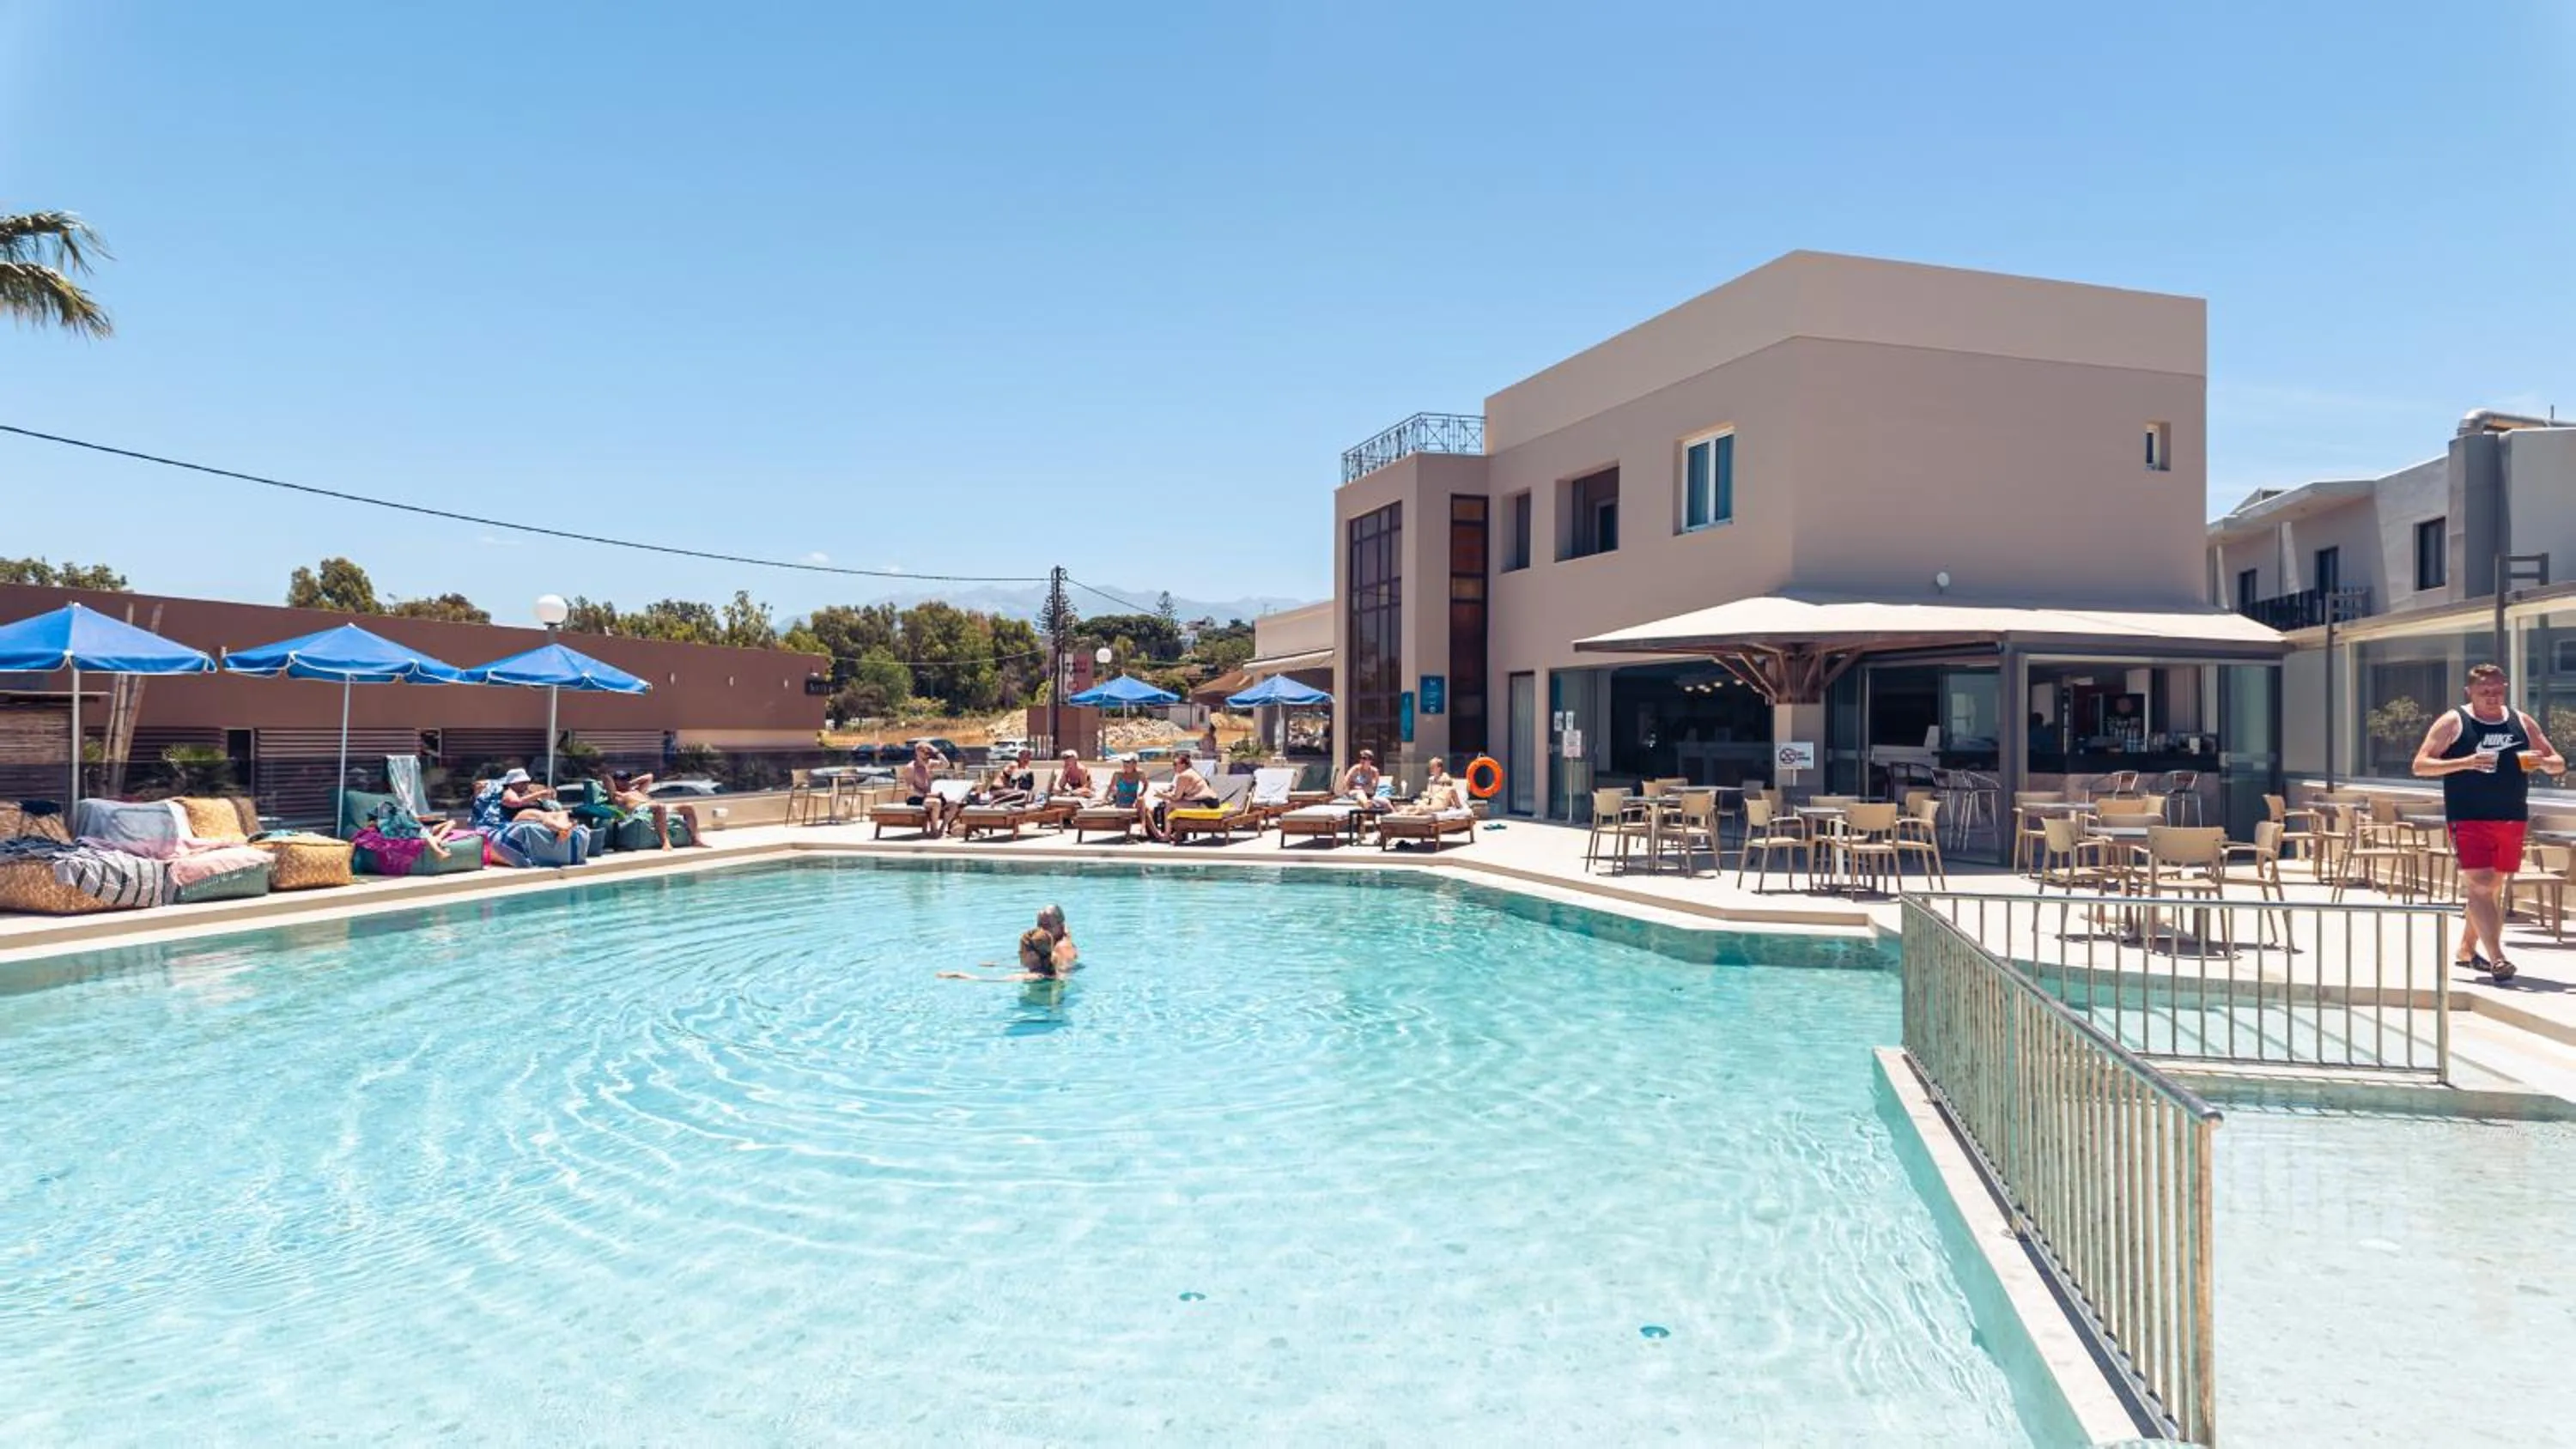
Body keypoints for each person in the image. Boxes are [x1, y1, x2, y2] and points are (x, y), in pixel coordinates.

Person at [2411, 662, 2567, 981]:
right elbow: (2421, 765)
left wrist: (2541, 763)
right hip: (2468, 815)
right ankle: (2498, 959)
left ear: (2504, 688)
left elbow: (2557, 763)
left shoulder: (2521, 721)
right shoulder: (2454, 721)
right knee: (2480, 883)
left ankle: (2467, 950)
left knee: (2490, 888)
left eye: (2497, 690)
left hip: (2511, 815)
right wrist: (2465, 762)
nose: (2492, 697)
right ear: (2470, 691)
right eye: (2484, 691)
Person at [606, 768, 700, 850]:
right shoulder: (618, 795)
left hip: (655, 805)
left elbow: (649, 777)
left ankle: (695, 840)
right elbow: (608, 783)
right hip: (641, 810)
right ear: (615, 782)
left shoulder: (637, 791)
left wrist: (630, 784)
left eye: (627, 778)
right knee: (659, 807)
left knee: (688, 807)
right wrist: (615, 784)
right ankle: (665, 842)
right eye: (622, 779)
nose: (626, 781)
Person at [939, 928, 1068, 983]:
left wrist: (959, 975)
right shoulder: (1056, 970)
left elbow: (989, 981)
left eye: (1021, 950)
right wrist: (998, 965)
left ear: (1033, 955)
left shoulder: (1028, 977)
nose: (1018, 953)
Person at [1150, 755, 1219, 842]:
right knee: (1176, 804)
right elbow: (1179, 794)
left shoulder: (1183, 776)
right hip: (1210, 802)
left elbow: (1176, 797)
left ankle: (1167, 835)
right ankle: (1178, 834)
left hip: (1206, 803)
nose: (1173, 767)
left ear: (1183, 765)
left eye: (1175, 764)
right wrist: (1167, 793)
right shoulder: (1191, 772)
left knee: (1169, 806)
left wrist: (1161, 795)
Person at [498, 768, 577, 840]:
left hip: (538, 814)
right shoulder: (509, 792)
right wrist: (538, 795)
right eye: (523, 783)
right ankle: (562, 828)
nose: (526, 785)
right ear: (513, 783)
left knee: (562, 814)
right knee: (542, 815)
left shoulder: (527, 793)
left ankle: (563, 832)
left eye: (527, 782)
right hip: (520, 815)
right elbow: (515, 803)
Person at [904, 742, 957, 838]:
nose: (927, 753)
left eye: (928, 751)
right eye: (924, 751)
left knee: (953, 804)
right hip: (915, 798)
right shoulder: (911, 767)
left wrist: (935, 750)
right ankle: (934, 830)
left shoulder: (930, 763)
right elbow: (910, 789)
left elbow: (946, 764)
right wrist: (928, 795)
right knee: (936, 802)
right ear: (918, 752)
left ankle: (941, 829)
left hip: (928, 797)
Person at [1339, 749, 1388, 814]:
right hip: (1353, 793)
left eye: (1364, 758)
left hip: (1368, 795)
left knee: (1386, 802)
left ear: (1370, 760)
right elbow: (1345, 782)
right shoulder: (1355, 769)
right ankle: (1366, 805)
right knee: (1360, 792)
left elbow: (1374, 787)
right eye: (1361, 758)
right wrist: (1348, 791)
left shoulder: (1374, 771)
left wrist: (1366, 788)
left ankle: (1396, 818)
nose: (1361, 760)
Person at [1036, 903, 1078, 970]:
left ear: (1060, 925)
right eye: (1039, 925)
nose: (1042, 930)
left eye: (1047, 925)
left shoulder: (1062, 947)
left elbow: (1062, 974)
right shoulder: (1049, 942)